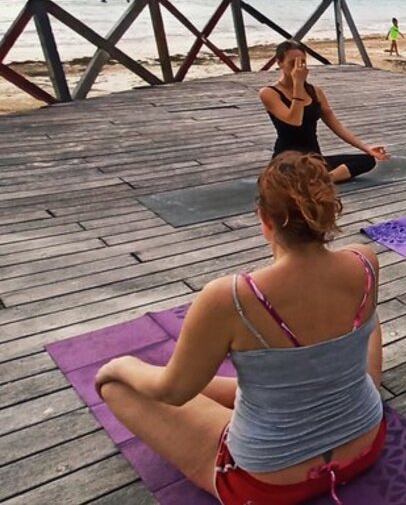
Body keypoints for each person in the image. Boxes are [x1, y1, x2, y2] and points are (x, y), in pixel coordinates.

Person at [95, 152, 385, 505]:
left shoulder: (230, 297)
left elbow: (173, 393)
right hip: (365, 444)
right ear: (329, 210)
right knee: (362, 323)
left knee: (118, 387)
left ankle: (117, 375)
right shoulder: (364, 261)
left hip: (269, 480)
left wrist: (121, 365)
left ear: (264, 218)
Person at [259, 40, 389, 182]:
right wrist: (298, 84)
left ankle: (323, 180)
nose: (298, 68)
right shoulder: (269, 93)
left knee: (367, 161)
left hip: (314, 158)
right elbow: (294, 120)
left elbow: (336, 125)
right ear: (280, 63)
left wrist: (367, 148)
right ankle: (314, 181)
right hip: (287, 160)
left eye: (302, 63)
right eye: (292, 63)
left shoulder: (315, 91)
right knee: (295, 174)